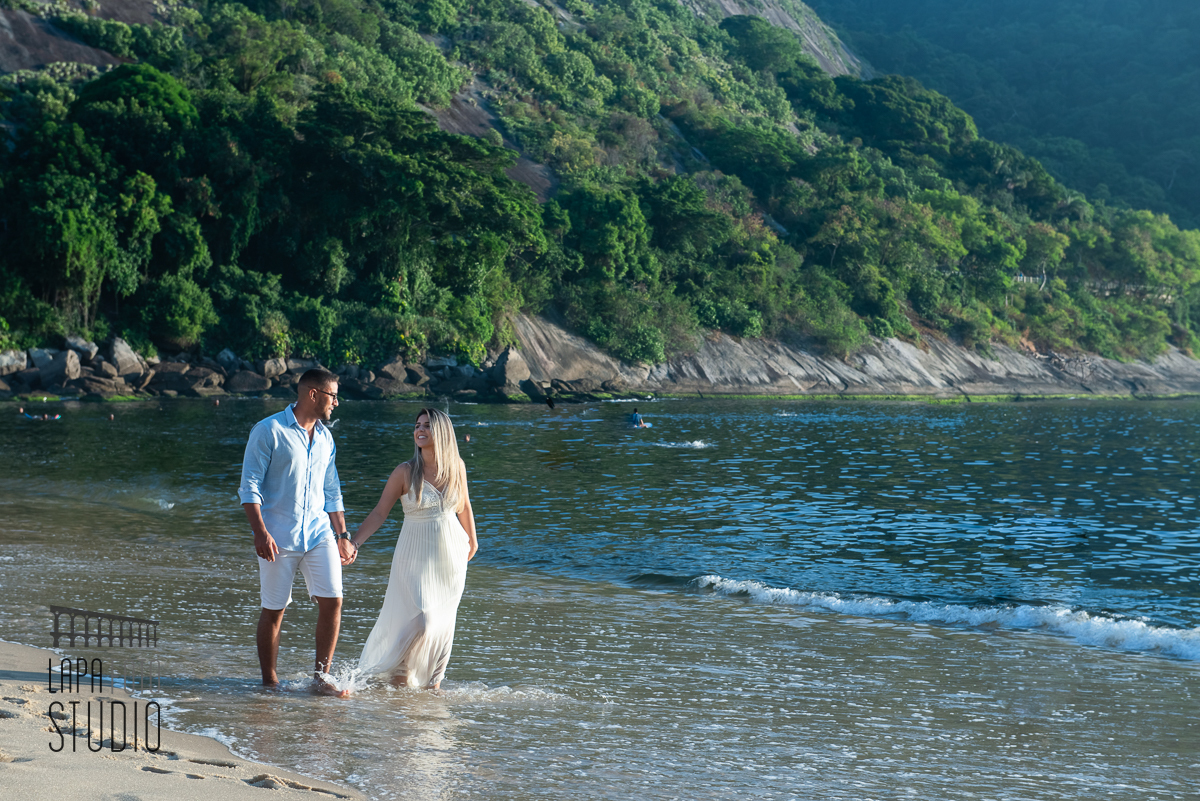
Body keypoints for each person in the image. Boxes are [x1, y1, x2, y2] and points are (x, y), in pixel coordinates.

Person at [238, 368, 356, 696]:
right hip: (278, 536)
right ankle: (269, 683)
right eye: (333, 396)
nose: (336, 403)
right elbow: (249, 486)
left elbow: (331, 490)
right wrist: (260, 532)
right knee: (274, 609)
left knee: (333, 601)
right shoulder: (269, 430)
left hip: (319, 533)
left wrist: (342, 535)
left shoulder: (326, 439)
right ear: (313, 394)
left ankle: (321, 679)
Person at [346, 408, 478, 690]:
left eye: (427, 425)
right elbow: (380, 512)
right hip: (413, 555)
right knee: (422, 620)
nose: (420, 430)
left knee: (443, 623)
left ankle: (431, 685)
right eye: (417, 425)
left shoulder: (457, 466)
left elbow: (464, 506)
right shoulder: (405, 472)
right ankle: (391, 671)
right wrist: (354, 542)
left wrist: (473, 540)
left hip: (451, 556)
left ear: (442, 431)